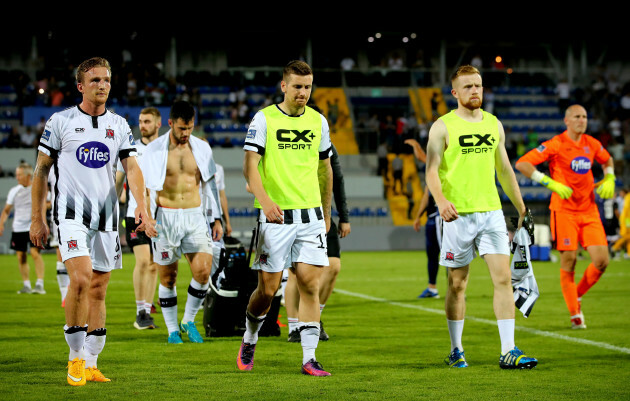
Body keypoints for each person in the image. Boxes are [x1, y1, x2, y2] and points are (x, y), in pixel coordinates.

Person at [30, 57, 156, 386]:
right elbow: (41, 171)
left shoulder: (119, 125)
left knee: (99, 290)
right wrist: (37, 219)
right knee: (82, 279)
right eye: (95, 80)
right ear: (80, 86)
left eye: (107, 80)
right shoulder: (61, 121)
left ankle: (91, 362)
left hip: (108, 217)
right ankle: (74, 358)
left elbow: (132, 168)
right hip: (70, 215)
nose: (102, 85)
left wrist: (141, 205)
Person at [425, 65, 537, 369]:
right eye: (468, 87)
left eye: (478, 85)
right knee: (457, 284)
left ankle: (509, 350)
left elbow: (505, 170)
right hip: (457, 216)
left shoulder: (493, 124)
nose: (475, 91)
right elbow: (431, 170)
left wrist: (522, 207)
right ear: (455, 93)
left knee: (503, 279)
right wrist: (441, 200)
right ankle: (456, 349)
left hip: (491, 214)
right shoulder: (442, 126)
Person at [239, 60, 333, 376]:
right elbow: (249, 166)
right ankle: (250, 337)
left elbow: (325, 169)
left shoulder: (319, 122)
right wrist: (264, 202)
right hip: (275, 218)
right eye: (297, 86)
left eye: (307, 87)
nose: (302, 93)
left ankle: (309, 357)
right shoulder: (264, 119)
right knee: (267, 290)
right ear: (284, 86)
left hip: (310, 217)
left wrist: (327, 209)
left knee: (309, 283)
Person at [515, 104, 616, 329]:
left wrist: (609, 178)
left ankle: (577, 294)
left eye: (585, 116)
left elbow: (607, 160)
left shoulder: (592, 144)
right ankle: (575, 313)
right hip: (564, 212)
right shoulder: (556, 144)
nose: (582, 120)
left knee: (601, 261)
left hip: (589, 210)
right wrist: (548, 182)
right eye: (577, 117)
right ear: (567, 121)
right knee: (568, 262)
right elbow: (522, 163)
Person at [141, 100, 223, 345]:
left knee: (202, 272)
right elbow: (146, 189)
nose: (186, 133)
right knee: (169, 278)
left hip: (195, 216)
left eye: (189, 128)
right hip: (166, 218)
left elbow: (209, 185)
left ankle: (188, 320)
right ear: (170, 124)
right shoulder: (154, 150)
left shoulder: (202, 148)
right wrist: (147, 217)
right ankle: (171, 330)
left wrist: (216, 217)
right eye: (181, 129)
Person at [285, 143, 350, 343]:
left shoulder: (326, 144)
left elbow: (336, 180)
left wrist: (344, 217)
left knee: (334, 266)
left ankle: (313, 319)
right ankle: (294, 326)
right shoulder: (288, 143)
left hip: (321, 215)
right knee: (296, 273)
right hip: (292, 212)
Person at [115, 107, 162, 330]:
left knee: (153, 265)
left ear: (158, 124)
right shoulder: (130, 149)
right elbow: (117, 180)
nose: (142, 125)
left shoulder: (165, 150)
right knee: (143, 261)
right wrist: (110, 209)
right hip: (134, 214)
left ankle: (147, 308)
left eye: (147, 121)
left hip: (160, 216)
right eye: (141, 121)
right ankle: (140, 312)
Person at [0, 162, 46, 294]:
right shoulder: (14, 191)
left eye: (19, 175)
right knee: (21, 256)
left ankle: (39, 284)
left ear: (28, 176)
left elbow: (44, 204)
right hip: (18, 227)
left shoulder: (36, 189)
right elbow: (6, 210)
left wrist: (43, 222)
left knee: (34, 253)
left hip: (33, 227)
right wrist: (1, 223)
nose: (17, 177)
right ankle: (26, 285)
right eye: (17, 174)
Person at [405, 138, 440, 298]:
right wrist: (418, 216)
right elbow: (427, 194)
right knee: (432, 254)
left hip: (443, 216)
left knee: (449, 254)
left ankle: (456, 288)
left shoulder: (443, 164)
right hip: (432, 217)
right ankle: (432, 288)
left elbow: (421, 157)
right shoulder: (431, 171)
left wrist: (416, 146)